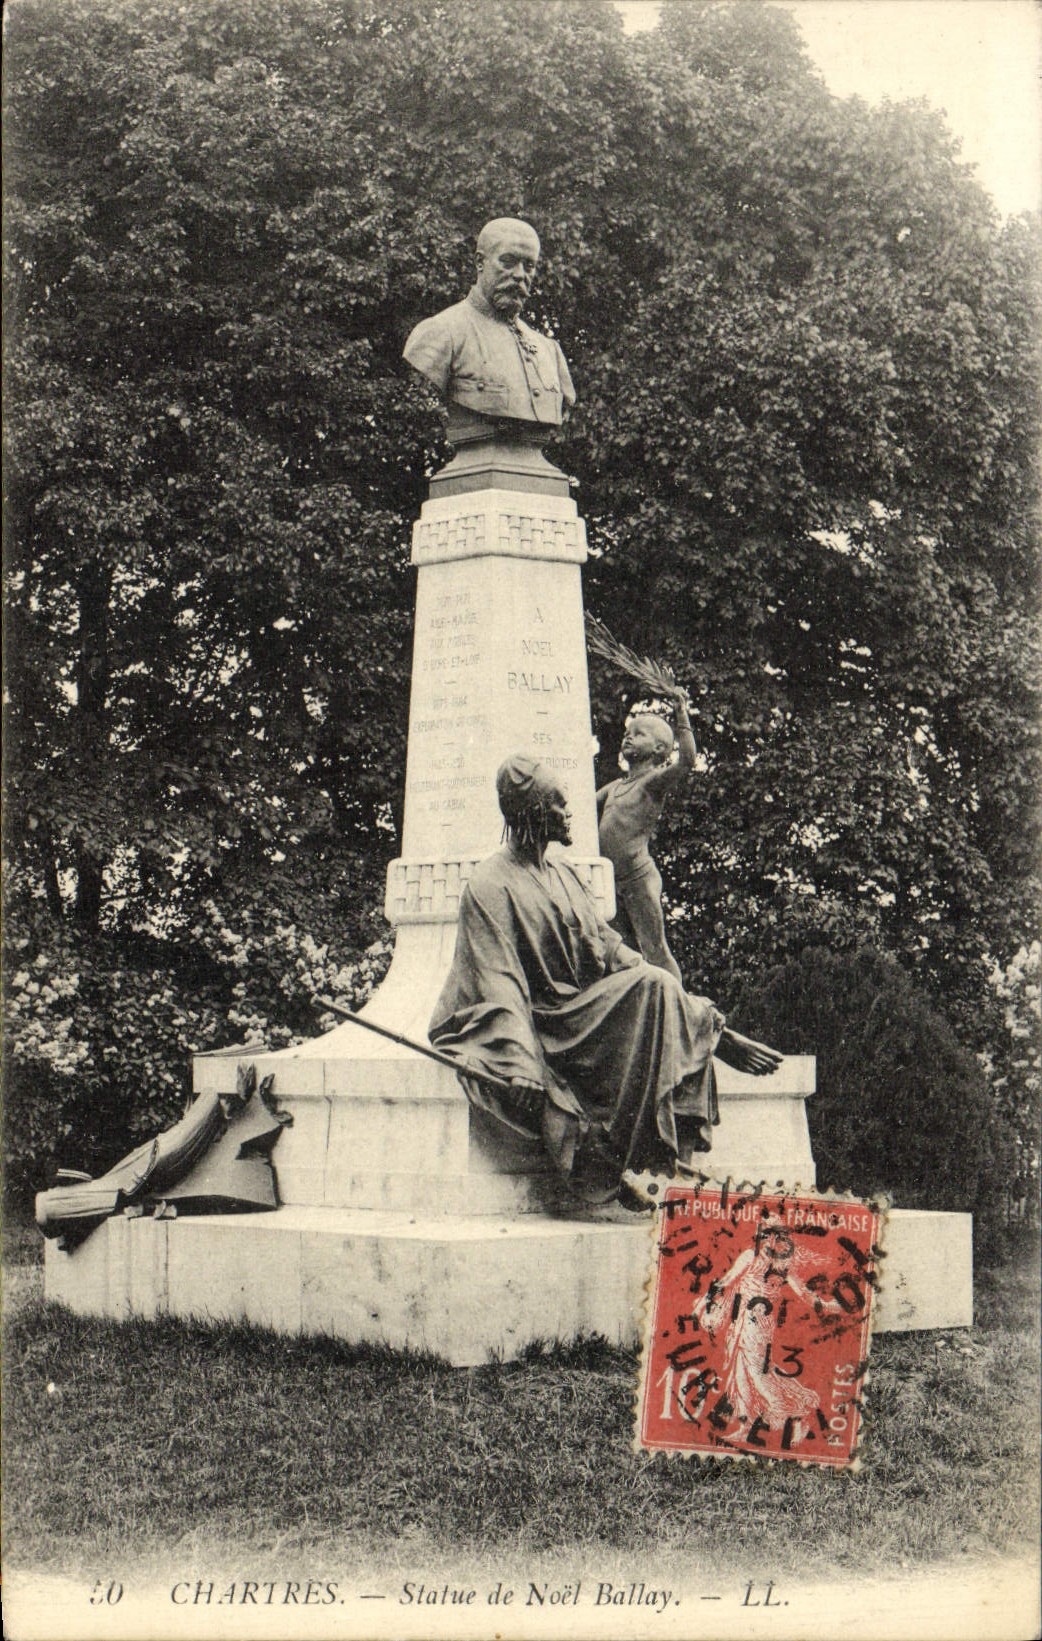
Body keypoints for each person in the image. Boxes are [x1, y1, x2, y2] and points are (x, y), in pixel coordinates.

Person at [429, 756, 779, 1203]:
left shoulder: (564, 874)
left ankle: (661, 1163)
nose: (570, 811)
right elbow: (499, 983)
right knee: (652, 988)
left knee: (654, 982)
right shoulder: (489, 884)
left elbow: (609, 948)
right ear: (534, 813)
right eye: (558, 804)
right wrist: (520, 1063)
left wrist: (713, 1027)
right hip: (547, 1023)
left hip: (581, 1012)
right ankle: (643, 1164)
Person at [403, 217, 575, 429]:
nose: (520, 275)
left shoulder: (550, 351)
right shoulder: (442, 332)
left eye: (529, 266)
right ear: (480, 262)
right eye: (508, 262)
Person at [597, 688, 697, 983]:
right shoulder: (616, 786)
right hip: (611, 881)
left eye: (639, 734)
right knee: (622, 952)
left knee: (654, 949)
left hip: (638, 878)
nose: (628, 737)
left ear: (659, 750)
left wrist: (681, 715)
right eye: (628, 732)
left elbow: (687, 762)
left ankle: (680, 1008)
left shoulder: (652, 782)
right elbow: (578, 805)